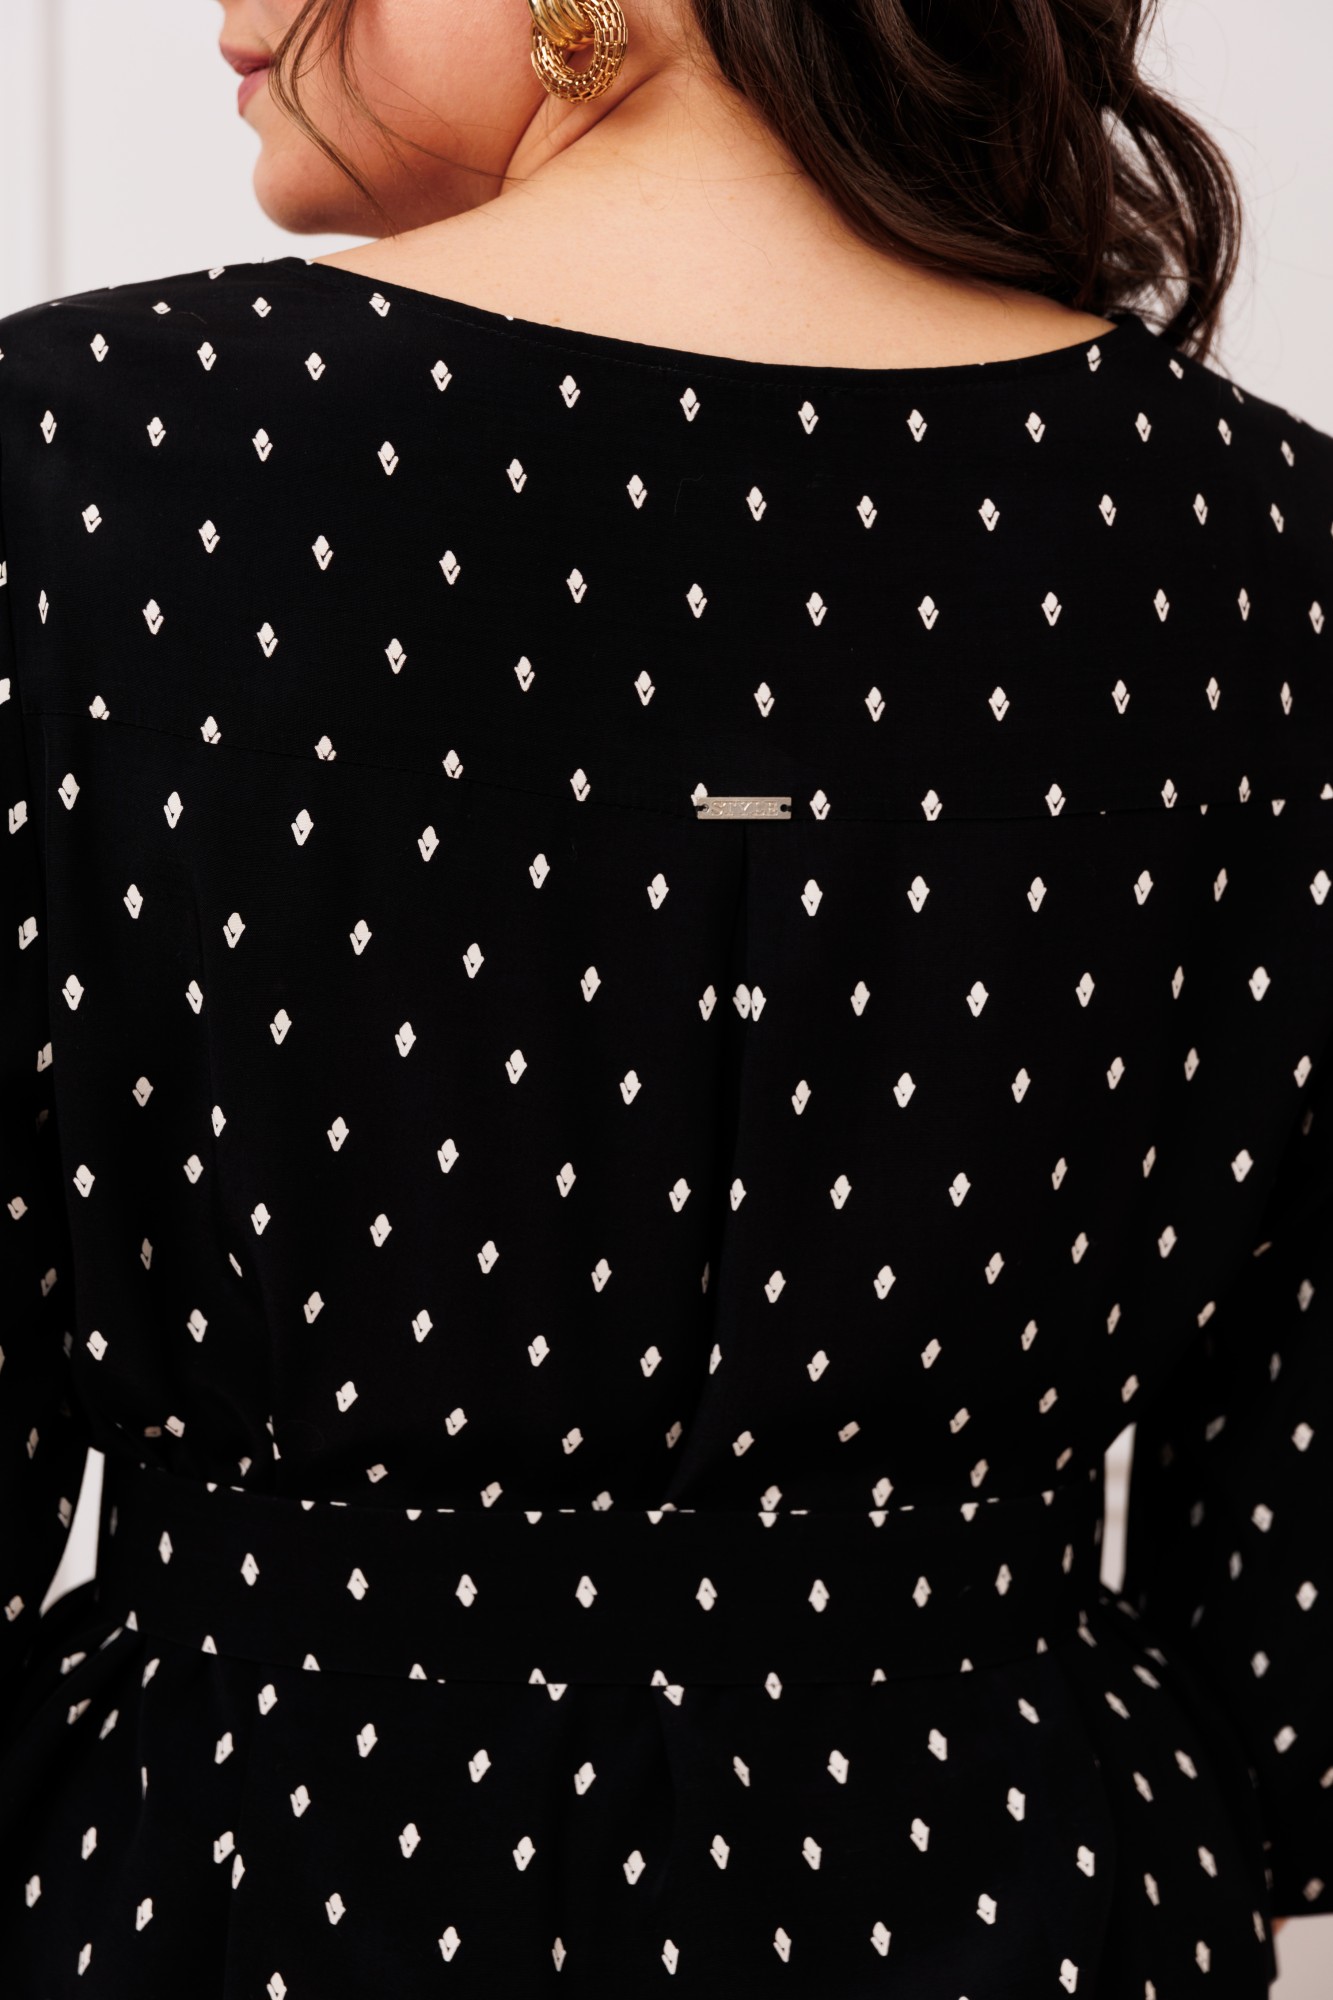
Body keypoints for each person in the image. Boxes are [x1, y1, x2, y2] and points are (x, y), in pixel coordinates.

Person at [0, 0, 1327, 1990]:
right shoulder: (1275, 557)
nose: (232, 9)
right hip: (1018, 1892)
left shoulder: (73, 471)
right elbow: (1291, 1623)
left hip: (233, 1881)